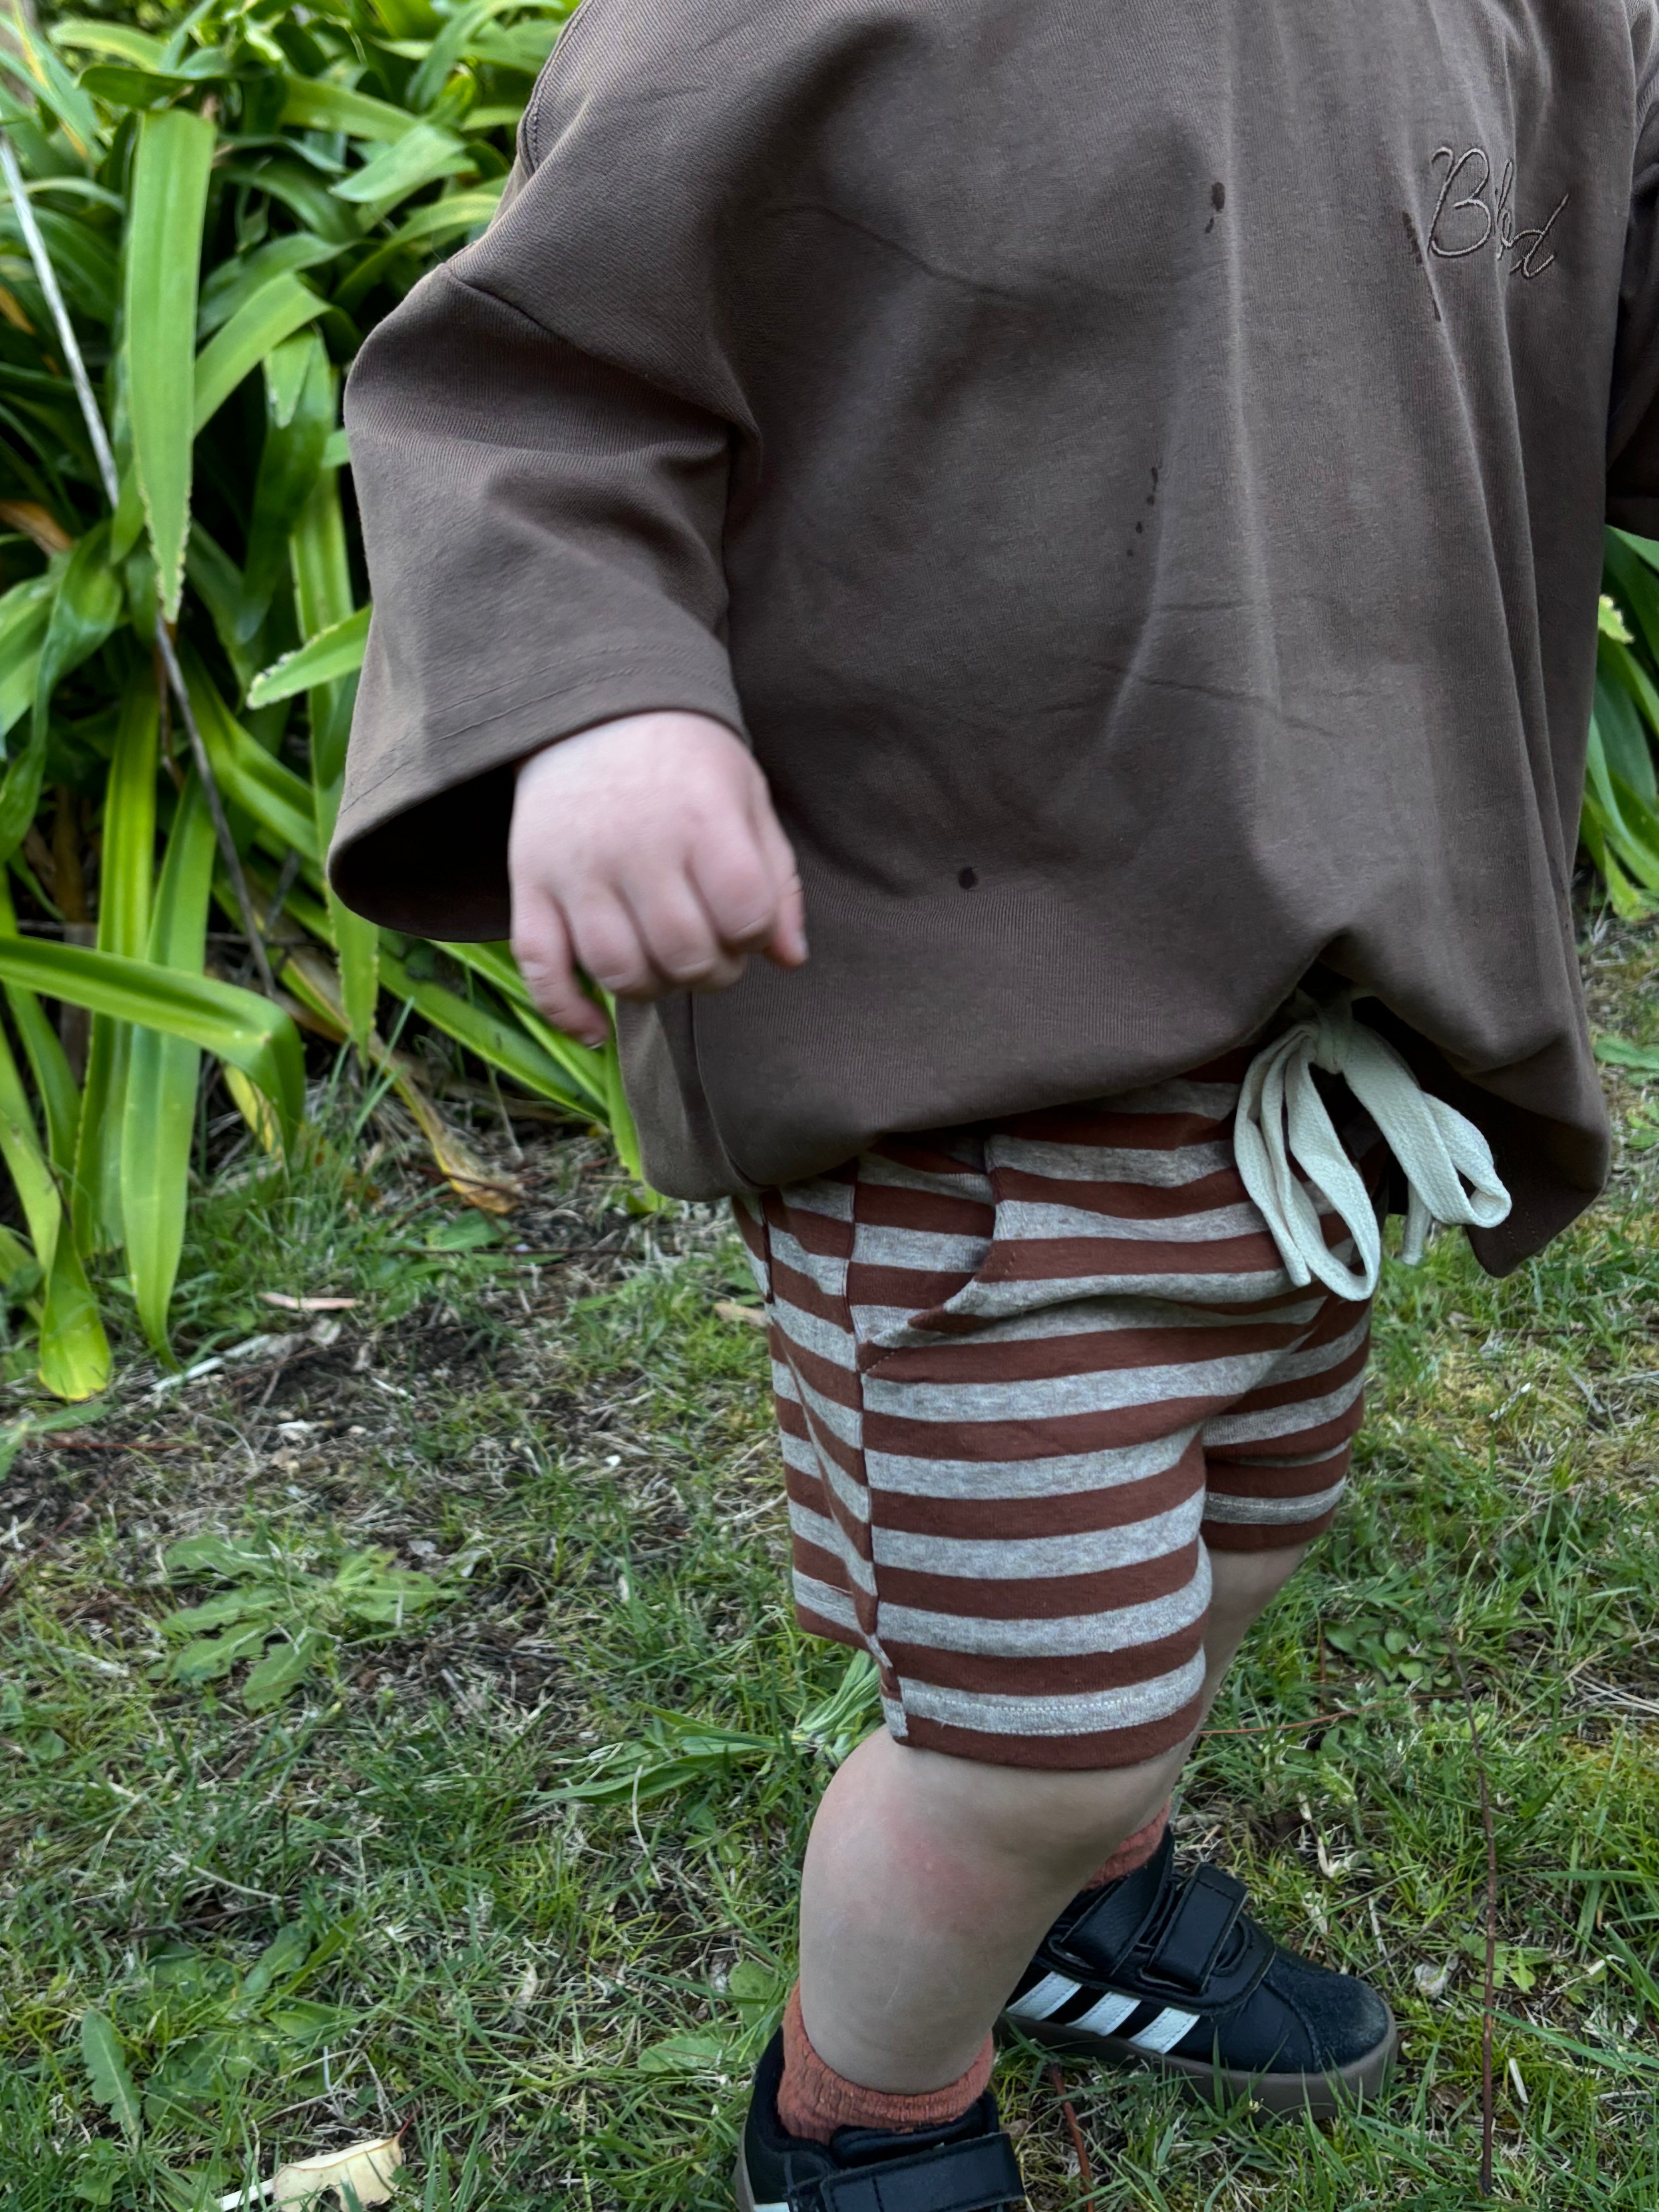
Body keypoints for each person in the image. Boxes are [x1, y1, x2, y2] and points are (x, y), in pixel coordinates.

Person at [330, 0, 1659, 2202]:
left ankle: (1071, 1893)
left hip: (1323, 1057)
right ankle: (864, 2115)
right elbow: (528, 379)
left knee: (1243, 1526)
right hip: (970, 1065)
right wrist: (597, 704)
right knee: (1035, 1720)